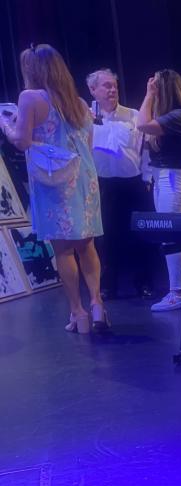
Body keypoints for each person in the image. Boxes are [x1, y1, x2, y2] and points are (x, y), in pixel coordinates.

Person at [0, 44, 104, 333]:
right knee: (87, 245)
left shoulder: (29, 98)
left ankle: (77, 313)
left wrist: (5, 125)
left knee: (64, 249)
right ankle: (97, 304)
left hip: (55, 180)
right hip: (84, 177)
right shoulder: (81, 103)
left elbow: (21, 141)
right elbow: (89, 144)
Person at [136, 68, 181, 311]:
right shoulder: (171, 116)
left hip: (174, 177)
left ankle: (178, 292)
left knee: (172, 234)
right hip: (164, 176)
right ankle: (179, 289)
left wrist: (148, 95)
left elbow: (142, 124)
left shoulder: (179, 115)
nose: (153, 90)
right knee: (169, 234)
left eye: (156, 87)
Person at [87, 67, 152, 299]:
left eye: (114, 85)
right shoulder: (85, 116)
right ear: (93, 90)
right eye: (106, 85)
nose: (112, 89)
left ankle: (143, 282)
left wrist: (147, 176)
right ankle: (108, 286)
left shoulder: (134, 114)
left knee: (139, 234)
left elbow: (144, 149)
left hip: (132, 182)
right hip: (103, 183)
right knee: (107, 237)